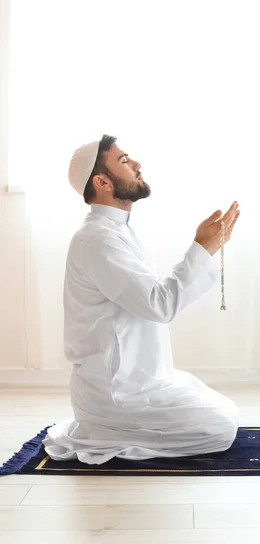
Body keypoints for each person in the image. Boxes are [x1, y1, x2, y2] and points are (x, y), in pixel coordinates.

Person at [43, 135, 241, 464]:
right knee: (220, 428)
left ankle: (117, 426)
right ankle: (107, 431)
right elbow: (160, 304)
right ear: (102, 181)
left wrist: (206, 248)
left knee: (226, 412)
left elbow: (152, 301)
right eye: (124, 161)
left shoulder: (115, 231)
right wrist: (203, 247)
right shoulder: (99, 239)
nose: (137, 165)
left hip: (137, 379)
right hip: (116, 392)